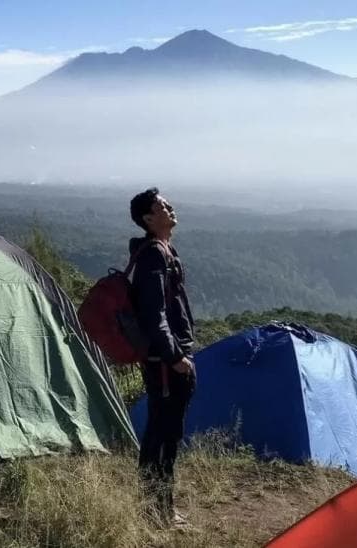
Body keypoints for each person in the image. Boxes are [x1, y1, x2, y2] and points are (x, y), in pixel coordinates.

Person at [128, 187, 196, 528]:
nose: (170, 207)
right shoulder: (155, 254)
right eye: (162, 206)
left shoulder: (162, 251)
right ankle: (156, 512)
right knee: (163, 437)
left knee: (164, 435)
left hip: (166, 360)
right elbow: (155, 314)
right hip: (165, 364)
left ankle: (160, 508)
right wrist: (174, 357)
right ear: (148, 219)